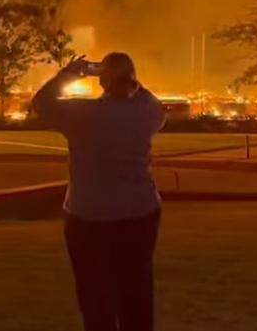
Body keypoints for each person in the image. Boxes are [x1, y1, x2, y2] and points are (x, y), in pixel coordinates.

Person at [32, 52, 166, 331]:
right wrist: (124, 76)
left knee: (94, 299)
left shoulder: (82, 114)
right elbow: (151, 99)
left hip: (88, 216)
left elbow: (41, 102)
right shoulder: (148, 113)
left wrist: (70, 73)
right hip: (138, 213)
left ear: (102, 80)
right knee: (137, 293)